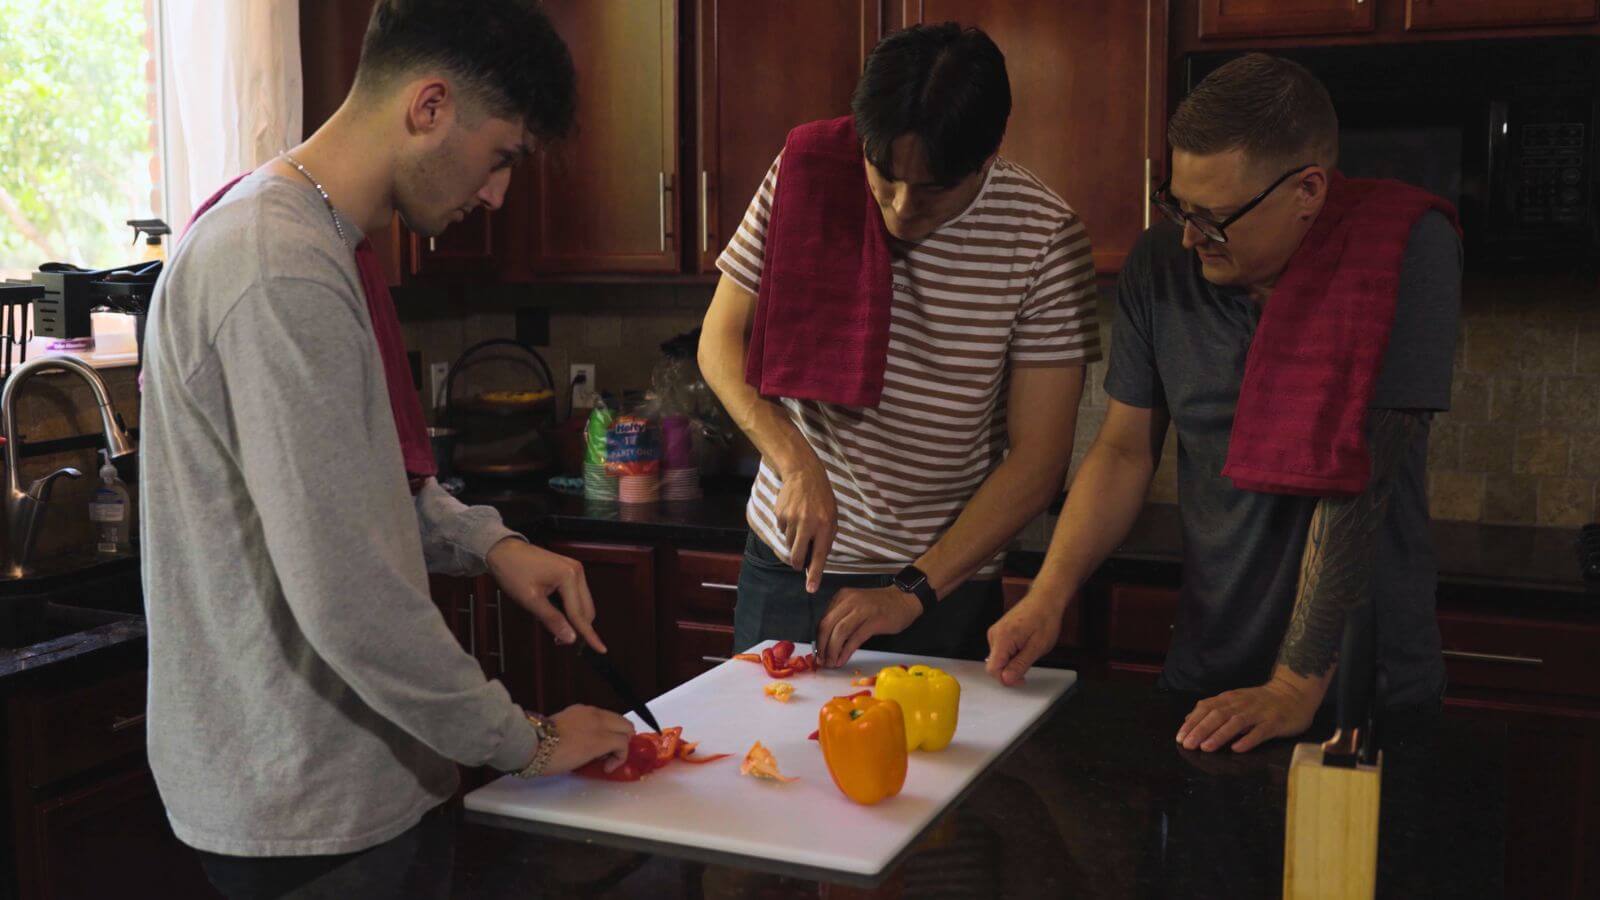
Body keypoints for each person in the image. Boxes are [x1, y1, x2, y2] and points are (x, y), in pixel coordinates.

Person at [140, 1, 634, 895]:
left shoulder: (310, 239)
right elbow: (347, 589)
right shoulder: (277, 266)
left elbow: (361, 486)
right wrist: (530, 740)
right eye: (502, 159)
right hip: (309, 807)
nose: (496, 196)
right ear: (430, 106)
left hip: (341, 783)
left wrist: (492, 543)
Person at [986, 53, 1462, 753]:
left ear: (1307, 190)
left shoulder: (1406, 249)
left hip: (1365, 687)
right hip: (1209, 673)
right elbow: (1122, 450)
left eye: (1213, 219)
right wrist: (1048, 594)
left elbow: (1361, 484)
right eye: (1179, 206)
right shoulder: (1162, 265)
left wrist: (1295, 685)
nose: (1188, 236)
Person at [699, 23, 1100, 669]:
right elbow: (719, 342)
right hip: (789, 565)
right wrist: (796, 462)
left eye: (935, 187)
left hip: (945, 583)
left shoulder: (1044, 237)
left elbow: (1038, 461)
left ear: (990, 150)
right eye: (883, 174)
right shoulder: (804, 171)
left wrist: (912, 589)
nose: (901, 207)